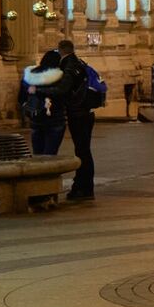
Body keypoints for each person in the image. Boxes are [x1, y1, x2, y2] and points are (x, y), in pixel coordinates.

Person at [56, 39, 100, 200]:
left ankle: (83, 187)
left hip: (78, 113)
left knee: (82, 151)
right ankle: (84, 186)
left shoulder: (69, 65)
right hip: (86, 112)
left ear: (61, 49)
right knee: (83, 150)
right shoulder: (79, 62)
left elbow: (63, 88)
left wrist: (42, 89)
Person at [18, 48, 74, 158]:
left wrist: (26, 108)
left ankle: (39, 174)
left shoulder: (30, 76)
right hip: (55, 118)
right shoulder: (60, 77)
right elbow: (62, 93)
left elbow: (21, 97)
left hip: (35, 119)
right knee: (50, 154)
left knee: (37, 154)